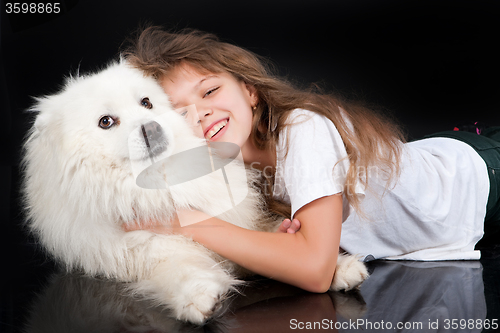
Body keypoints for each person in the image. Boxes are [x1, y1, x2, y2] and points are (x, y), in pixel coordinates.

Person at [123, 26, 500, 292]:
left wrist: (184, 222)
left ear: (250, 91)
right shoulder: (224, 169)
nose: (200, 113)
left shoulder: (302, 129)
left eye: (210, 90)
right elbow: (274, 250)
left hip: (478, 175)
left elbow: (314, 272)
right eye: (179, 111)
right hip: (436, 150)